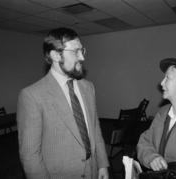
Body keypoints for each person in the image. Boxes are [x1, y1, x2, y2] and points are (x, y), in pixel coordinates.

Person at [17, 27, 109, 179]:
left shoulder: (88, 87)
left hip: (93, 171)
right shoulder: (31, 96)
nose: (82, 57)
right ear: (55, 55)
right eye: (75, 51)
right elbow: (30, 156)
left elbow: (95, 128)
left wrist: (102, 164)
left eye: (82, 50)